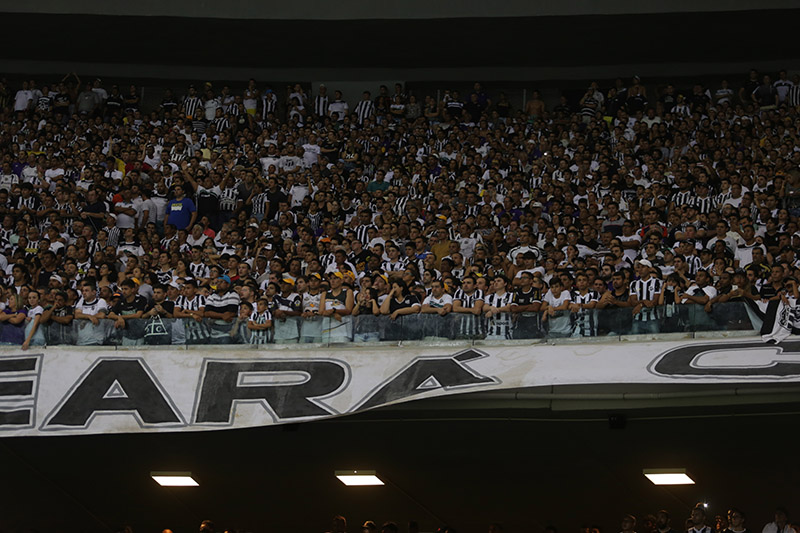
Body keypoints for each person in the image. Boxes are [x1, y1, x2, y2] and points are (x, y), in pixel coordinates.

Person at [74, 278, 109, 345]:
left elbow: (101, 315)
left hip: (96, 340)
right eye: (83, 291)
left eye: (86, 291)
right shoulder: (81, 301)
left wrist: (84, 319)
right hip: (81, 340)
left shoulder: (100, 301)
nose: (84, 293)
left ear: (94, 292)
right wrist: (89, 317)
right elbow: (77, 315)